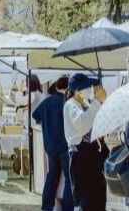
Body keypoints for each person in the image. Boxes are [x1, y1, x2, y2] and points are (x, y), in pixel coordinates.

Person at [63, 73, 108, 210]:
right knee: (86, 199)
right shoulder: (71, 105)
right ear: (77, 90)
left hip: (92, 153)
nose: (91, 89)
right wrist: (97, 102)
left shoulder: (86, 103)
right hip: (80, 154)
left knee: (98, 195)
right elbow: (83, 124)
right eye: (88, 87)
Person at [32, 75, 72, 211]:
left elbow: (35, 116)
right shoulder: (66, 103)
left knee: (52, 176)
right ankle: (68, 208)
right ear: (67, 88)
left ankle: (46, 207)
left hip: (50, 146)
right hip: (64, 146)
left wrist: (45, 121)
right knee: (69, 178)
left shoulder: (47, 101)